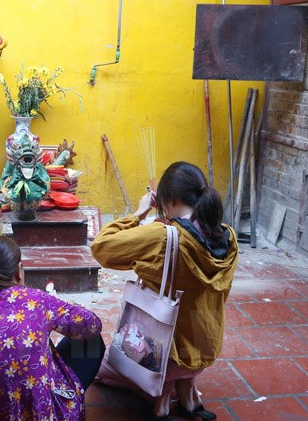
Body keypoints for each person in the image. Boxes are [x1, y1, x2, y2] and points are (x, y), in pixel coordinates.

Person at [90, 162, 238, 421]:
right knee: (190, 312)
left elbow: (102, 247)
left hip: (166, 345)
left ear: (168, 199)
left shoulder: (163, 236)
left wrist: (137, 213)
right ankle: (190, 398)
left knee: (103, 370)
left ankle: (162, 406)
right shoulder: (228, 236)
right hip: (205, 341)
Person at [0, 236, 105, 421]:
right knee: (91, 340)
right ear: (19, 270)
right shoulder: (38, 301)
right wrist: (63, 309)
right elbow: (93, 325)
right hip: (37, 412)